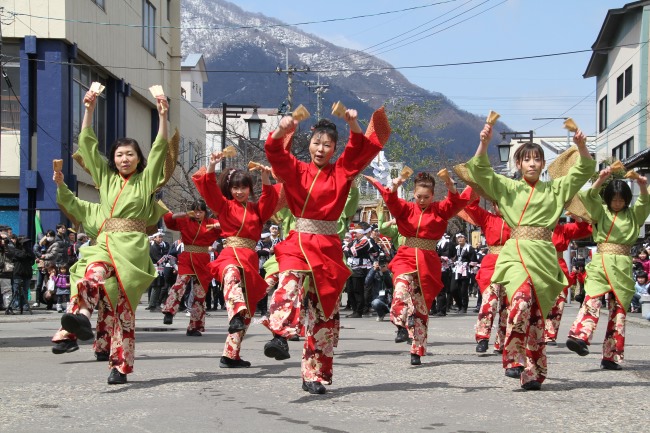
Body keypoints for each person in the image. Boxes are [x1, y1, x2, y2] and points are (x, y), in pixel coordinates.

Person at [463, 123, 595, 390]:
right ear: (519, 165)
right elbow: (479, 170)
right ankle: (513, 358)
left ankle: (534, 373)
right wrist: (484, 143)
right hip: (516, 253)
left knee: (536, 316)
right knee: (521, 300)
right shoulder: (508, 188)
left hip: (544, 257)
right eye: (526, 159)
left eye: (537, 159)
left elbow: (583, 170)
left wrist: (581, 146)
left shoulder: (556, 189)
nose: (532, 164)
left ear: (543, 164)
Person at [264, 107, 386, 394]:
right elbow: (275, 153)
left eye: (327, 144)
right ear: (309, 144)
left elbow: (357, 151)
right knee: (289, 281)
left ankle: (314, 375)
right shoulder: (296, 169)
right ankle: (280, 334)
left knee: (324, 312)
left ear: (334, 148)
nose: (321, 149)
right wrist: (282, 129)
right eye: (317, 143)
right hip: (300, 239)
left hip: (328, 246)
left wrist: (354, 123)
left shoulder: (341, 171)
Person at [52, 88, 170, 385]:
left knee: (124, 313)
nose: (124, 158)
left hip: (132, 251)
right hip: (105, 243)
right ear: (113, 160)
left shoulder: (146, 181)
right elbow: (88, 146)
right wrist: (89, 110)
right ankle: (80, 317)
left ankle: (120, 367)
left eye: (130, 154)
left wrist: (163, 116)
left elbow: (160, 150)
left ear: (138, 159)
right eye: (119, 154)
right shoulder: (105, 178)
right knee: (91, 272)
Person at [366, 171, 465, 366]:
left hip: (428, 260)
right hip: (406, 255)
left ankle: (417, 349)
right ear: (413, 193)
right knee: (401, 289)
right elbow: (392, 202)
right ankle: (401, 323)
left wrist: (451, 186)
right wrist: (394, 187)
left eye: (426, 197)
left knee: (421, 306)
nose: (422, 200)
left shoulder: (440, 209)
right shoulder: (406, 208)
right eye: (418, 196)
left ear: (433, 195)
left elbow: (454, 203)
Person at [193, 153, 277, 368]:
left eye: (244, 188)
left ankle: (230, 355)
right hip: (230, 253)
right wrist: (212, 164)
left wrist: (266, 178)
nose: (239, 192)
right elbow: (210, 190)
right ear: (229, 190)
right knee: (231, 275)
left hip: (249, 258)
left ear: (250, 188)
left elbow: (269, 203)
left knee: (247, 310)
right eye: (235, 188)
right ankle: (235, 314)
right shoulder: (223, 206)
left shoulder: (257, 210)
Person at [566, 169, 650, 370]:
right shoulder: (600, 211)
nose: (618, 202)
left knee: (619, 311)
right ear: (608, 198)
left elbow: (645, 203)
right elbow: (589, 196)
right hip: (601, 262)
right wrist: (602, 178)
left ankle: (611, 356)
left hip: (622, 264)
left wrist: (642, 185)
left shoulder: (633, 215)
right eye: (614, 198)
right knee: (592, 299)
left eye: (622, 199)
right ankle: (580, 337)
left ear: (627, 199)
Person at [458, 187, 511, 355]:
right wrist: (476, 185)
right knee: (489, 302)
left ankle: (502, 342)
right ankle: (482, 337)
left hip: (513, 263)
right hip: (492, 264)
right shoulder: (488, 218)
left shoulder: (519, 222)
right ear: (494, 205)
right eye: (499, 203)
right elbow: (471, 206)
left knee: (509, 306)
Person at [161, 200, 221, 335]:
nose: (198, 214)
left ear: (205, 212)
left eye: (201, 211)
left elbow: (228, 227)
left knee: (200, 294)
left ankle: (195, 326)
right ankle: (169, 311)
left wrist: (220, 224)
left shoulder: (211, 223)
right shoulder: (185, 220)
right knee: (180, 283)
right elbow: (169, 222)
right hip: (187, 257)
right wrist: (176, 215)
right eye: (195, 211)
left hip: (203, 260)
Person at [543, 220, 592, 345]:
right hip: (539, 264)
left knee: (559, 301)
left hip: (558, 265)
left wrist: (580, 218)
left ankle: (550, 334)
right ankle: (537, 331)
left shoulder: (562, 229)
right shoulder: (533, 227)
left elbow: (584, 228)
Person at [7, 237, 34, 315]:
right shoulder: (15, 250)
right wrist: (26, 253)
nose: (26, 245)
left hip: (27, 273)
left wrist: (28, 252)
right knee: (16, 290)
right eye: (24, 243)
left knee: (25, 290)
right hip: (18, 273)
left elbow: (32, 259)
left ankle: (25, 305)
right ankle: (16, 304)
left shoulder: (29, 251)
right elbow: (20, 255)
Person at [451, 232, 476, 314]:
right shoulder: (456, 248)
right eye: (458, 238)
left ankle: (464, 307)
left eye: (461, 237)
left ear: (465, 238)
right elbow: (452, 258)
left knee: (463, 290)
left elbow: (474, 261)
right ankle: (459, 304)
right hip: (457, 270)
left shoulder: (469, 248)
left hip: (465, 271)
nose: (460, 239)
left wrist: (468, 265)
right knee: (453, 289)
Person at [147, 232, 170, 312]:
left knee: (159, 286)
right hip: (156, 269)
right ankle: (153, 305)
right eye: (159, 237)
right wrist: (166, 257)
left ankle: (154, 304)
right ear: (154, 238)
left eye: (161, 237)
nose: (161, 238)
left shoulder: (160, 247)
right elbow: (159, 260)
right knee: (156, 286)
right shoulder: (154, 247)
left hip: (160, 269)